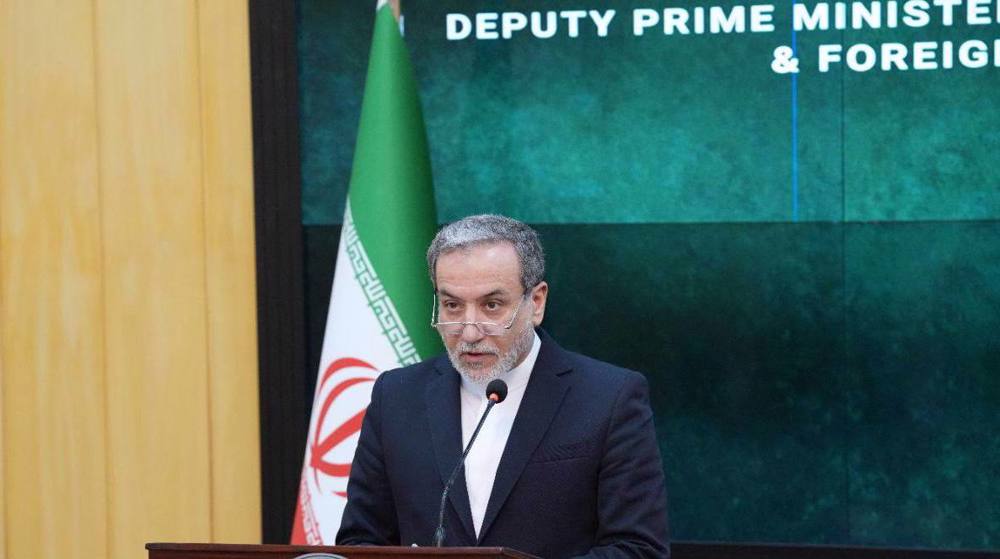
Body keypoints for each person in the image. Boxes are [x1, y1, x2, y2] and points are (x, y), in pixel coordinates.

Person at [337, 214, 670, 558]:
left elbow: (638, 550)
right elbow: (361, 542)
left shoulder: (609, 398)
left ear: (536, 302)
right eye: (452, 306)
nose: (469, 332)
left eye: (491, 306)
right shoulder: (396, 396)